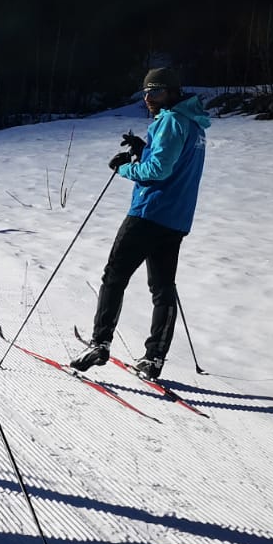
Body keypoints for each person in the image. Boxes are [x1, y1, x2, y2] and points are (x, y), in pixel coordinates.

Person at [71, 66, 210, 380]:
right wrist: (142, 150)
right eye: (146, 91)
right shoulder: (193, 125)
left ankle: (100, 343)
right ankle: (154, 358)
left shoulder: (172, 121)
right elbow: (170, 161)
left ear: (172, 92)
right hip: (176, 219)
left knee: (114, 275)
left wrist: (124, 169)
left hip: (149, 213)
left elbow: (159, 171)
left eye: (156, 91)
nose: (149, 97)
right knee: (162, 287)